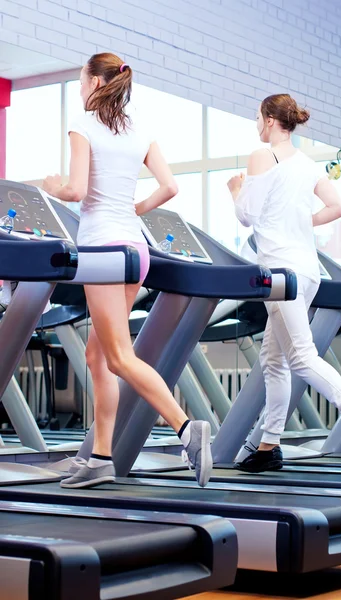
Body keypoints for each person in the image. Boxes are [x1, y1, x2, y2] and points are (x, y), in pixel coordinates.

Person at [42, 52, 212, 488]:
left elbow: (76, 189)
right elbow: (171, 187)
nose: (80, 88)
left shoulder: (84, 127)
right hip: (136, 246)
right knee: (97, 354)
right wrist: (133, 209)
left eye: (81, 81)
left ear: (97, 82)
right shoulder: (140, 130)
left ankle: (185, 428)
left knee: (119, 356)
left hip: (103, 249)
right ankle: (100, 456)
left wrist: (52, 187)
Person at [227, 93, 341, 473]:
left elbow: (247, 216)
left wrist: (234, 190)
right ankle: (269, 445)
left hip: (282, 272)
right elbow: (338, 207)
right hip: (307, 269)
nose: (256, 124)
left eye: (257, 118)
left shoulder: (262, 155)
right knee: (273, 358)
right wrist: (301, 224)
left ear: (269, 121)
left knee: (300, 356)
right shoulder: (305, 162)